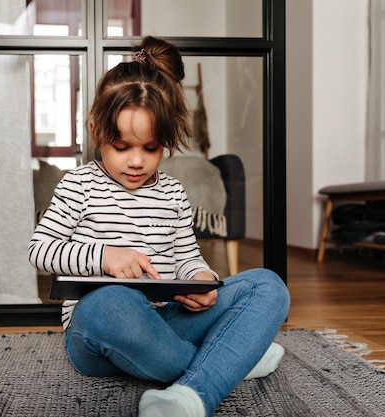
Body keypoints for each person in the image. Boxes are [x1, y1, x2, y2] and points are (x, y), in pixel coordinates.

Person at [28, 36, 290, 417]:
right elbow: (41, 250)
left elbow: (186, 256)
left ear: (165, 141)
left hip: (164, 325)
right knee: (110, 303)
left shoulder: (172, 192)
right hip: (100, 331)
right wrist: (104, 257)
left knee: (268, 286)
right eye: (122, 146)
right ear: (95, 129)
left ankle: (190, 397)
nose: (136, 162)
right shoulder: (78, 185)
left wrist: (199, 278)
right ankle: (230, 361)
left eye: (150, 148)